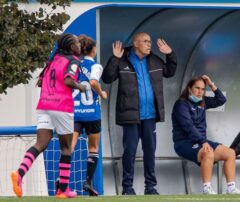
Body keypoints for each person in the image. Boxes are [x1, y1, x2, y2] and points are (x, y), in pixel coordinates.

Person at [10, 33, 85, 198]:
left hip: (44, 105)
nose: (79, 45)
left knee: (40, 144)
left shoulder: (53, 60)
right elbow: (68, 80)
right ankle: (62, 189)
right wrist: (81, 87)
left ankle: (19, 174)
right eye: (77, 43)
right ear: (71, 47)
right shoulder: (73, 61)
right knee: (66, 148)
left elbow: (41, 80)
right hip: (61, 106)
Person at [102, 32, 177, 195]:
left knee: (150, 152)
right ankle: (127, 187)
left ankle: (150, 187)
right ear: (135, 44)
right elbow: (107, 78)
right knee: (129, 152)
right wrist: (114, 58)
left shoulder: (155, 59)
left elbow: (170, 72)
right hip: (130, 116)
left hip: (150, 116)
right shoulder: (122, 60)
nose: (149, 44)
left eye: (150, 41)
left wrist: (170, 54)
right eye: (145, 41)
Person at [172, 75, 240, 194]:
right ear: (189, 88)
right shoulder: (181, 104)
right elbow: (189, 127)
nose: (200, 92)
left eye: (203, 89)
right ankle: (206, 189)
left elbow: (221, 100)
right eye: (197, 88)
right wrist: (203, 141)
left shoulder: (203, 102)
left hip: (201, 141)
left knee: (230, 153)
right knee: (208, 152)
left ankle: (231, 188)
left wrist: (211, 84)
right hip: (184, 143)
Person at [71, 34, 107, 196]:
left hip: (75, 112)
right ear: (93, 50)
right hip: (92, 113)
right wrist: (102, 93)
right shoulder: (96, 66)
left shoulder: (74, 65)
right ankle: (87, 182)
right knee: (93, 148)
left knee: (68, 148)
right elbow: (93, 82)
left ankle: (61, 181)